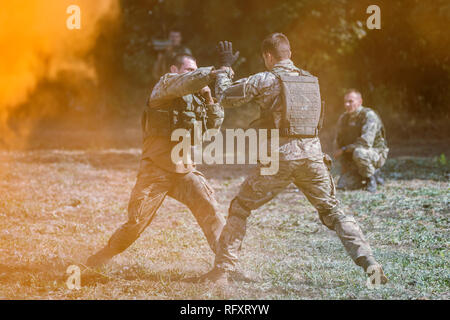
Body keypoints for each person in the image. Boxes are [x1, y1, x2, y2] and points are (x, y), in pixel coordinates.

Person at [194, 33, 388, 286]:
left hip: (280, 158)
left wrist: (224, 68)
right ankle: (370, 263)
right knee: (334, 210)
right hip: (313, 156)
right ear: (290, 54)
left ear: (268, 56)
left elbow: (225, 96)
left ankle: (222, 270)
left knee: (240, 208)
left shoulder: (267, 78)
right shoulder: (311, 80)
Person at [86, 54, 226, 267]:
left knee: (212, 210)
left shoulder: (197, 97)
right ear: (174, 69)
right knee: (136, 222)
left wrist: (208, 99)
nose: (193, 74)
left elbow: (212, 130)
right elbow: (187, 82)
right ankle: (99, 260)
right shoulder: (166, 84)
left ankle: (225, 265)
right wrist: (212, 73)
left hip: (184, 170)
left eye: (195, 70)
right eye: (189, 69)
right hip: (156, 168)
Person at [334, 90, 389, 193]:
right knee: (343, 185)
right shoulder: (344, 118)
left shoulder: (369, 116)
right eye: (345, 102)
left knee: (360, 152)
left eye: (351, 101)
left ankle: (371, 178)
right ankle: (361, 175)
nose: (347, 104)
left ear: (360, 101)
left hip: (374, 153)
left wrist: (344, 149)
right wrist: (345, 168)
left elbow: (365, 143)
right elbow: (338, 142)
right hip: (353, 156)